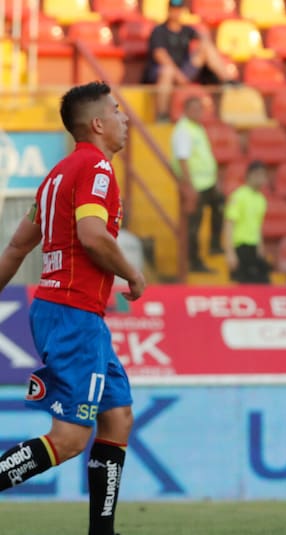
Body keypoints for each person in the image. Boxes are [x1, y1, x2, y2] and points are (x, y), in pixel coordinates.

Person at [0, 81, 146, 535]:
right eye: (118, 111)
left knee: (117, 416)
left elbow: (16, 248)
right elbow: (93, 235)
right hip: (73, 315)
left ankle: (101, 531)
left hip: (71, 314)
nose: (126, 119)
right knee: (69, 439)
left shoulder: (56, 177)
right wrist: (132, 274)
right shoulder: (97, 169)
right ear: (98, 124)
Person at [142, 0, 238, 122]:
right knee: (167, 71)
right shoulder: (159, 31)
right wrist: (179, 76)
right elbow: (160, 56)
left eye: (179, 9)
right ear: (169, 10)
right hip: (161, 74)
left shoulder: (187, 30)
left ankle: (227, 80)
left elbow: (203, 38)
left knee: (206, 47)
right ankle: (162, 114)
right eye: (173, 9)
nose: (176, 13)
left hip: (183, 72)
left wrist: (203, 36)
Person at [171, 95, 226, 273]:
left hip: (207, 182)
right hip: (195, 185)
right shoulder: (184, 130)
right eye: (194, 108)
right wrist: (189, 186)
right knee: (194, 225)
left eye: (199, 109)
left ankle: (215, 243)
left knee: (220, 206)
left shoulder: (197, 128)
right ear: (186, 110)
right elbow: (183, 159)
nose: (197, 112)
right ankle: (194, 262)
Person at [223, 160, 271, 283]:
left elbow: (257, 226)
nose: (261, 179)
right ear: (250, 175)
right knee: (244, 284)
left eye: (263, 175)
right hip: (240, 247)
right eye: (258, 175)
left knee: (264, 281)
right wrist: (230, 252)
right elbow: (229, 224)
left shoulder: (261, 199)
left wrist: (260, 247)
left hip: (253, 247)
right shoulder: (239, 196)